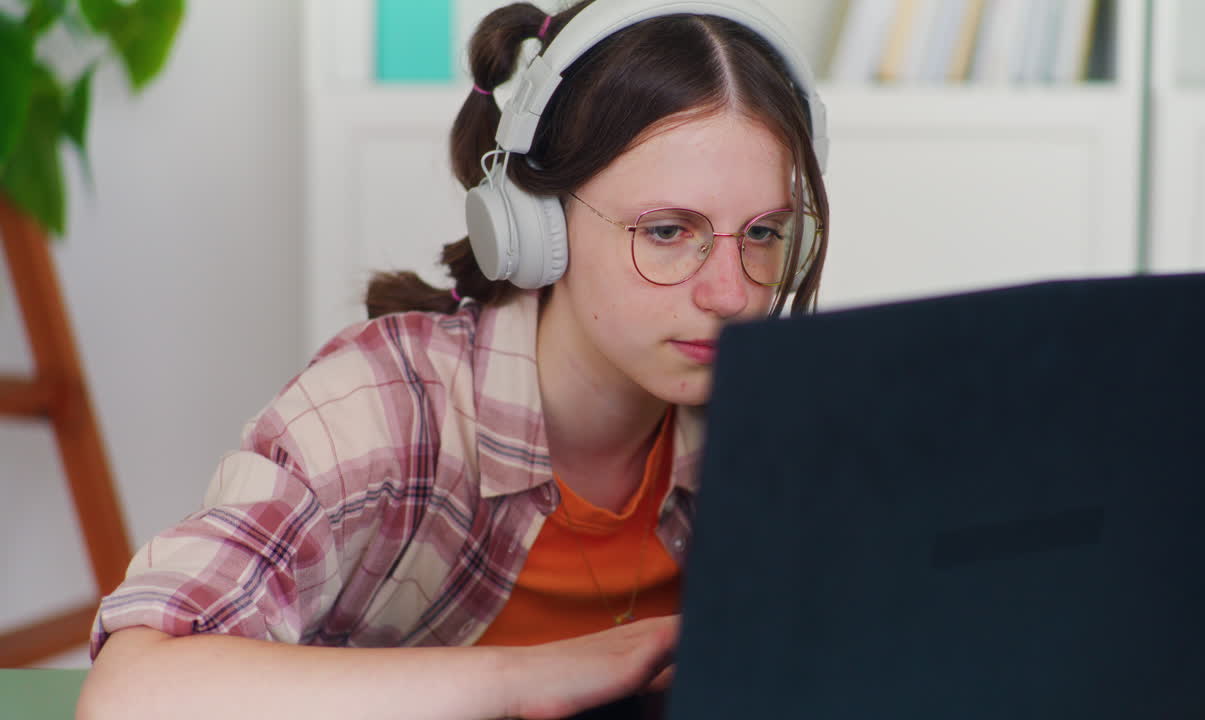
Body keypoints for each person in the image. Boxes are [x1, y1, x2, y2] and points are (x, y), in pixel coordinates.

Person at [77, 0, 830, 718]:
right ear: (538, 228)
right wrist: (538, 675)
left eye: (763, 233)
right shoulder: (383, 409)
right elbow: (134, 692)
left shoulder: (781, 423)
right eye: (668, 231)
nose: (731, 294)